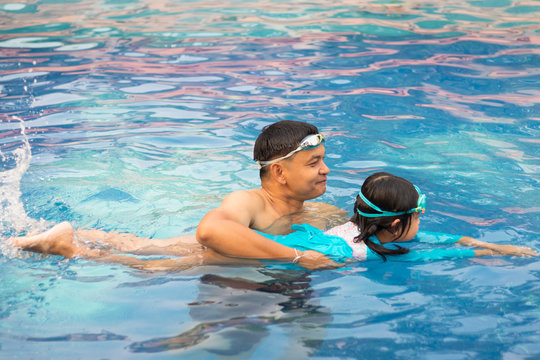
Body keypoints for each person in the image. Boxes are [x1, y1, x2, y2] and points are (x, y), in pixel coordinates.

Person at [11, 172, 537, 270]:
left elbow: (457, 238)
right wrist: (505, 252)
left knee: (170, 247)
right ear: (401, 225)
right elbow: (457, 248)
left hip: (293, 239)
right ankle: (72, 250)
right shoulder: (381, 250)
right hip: (301, 256)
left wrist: (502, 248)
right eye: (420, 219)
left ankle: (79, 234)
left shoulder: (355, 227)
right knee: (170, 267)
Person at [10, 120, 348, 270]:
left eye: (324, 161)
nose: (326, 170)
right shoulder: (250, 202)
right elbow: (210, 232)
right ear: (279, 172)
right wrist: (295, 257)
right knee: (159, 261)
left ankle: (67, 234)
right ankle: (69, 246)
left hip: (206, 256)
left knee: (141, 244)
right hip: (195, 265)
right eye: (314, 162)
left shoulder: (324, 214)